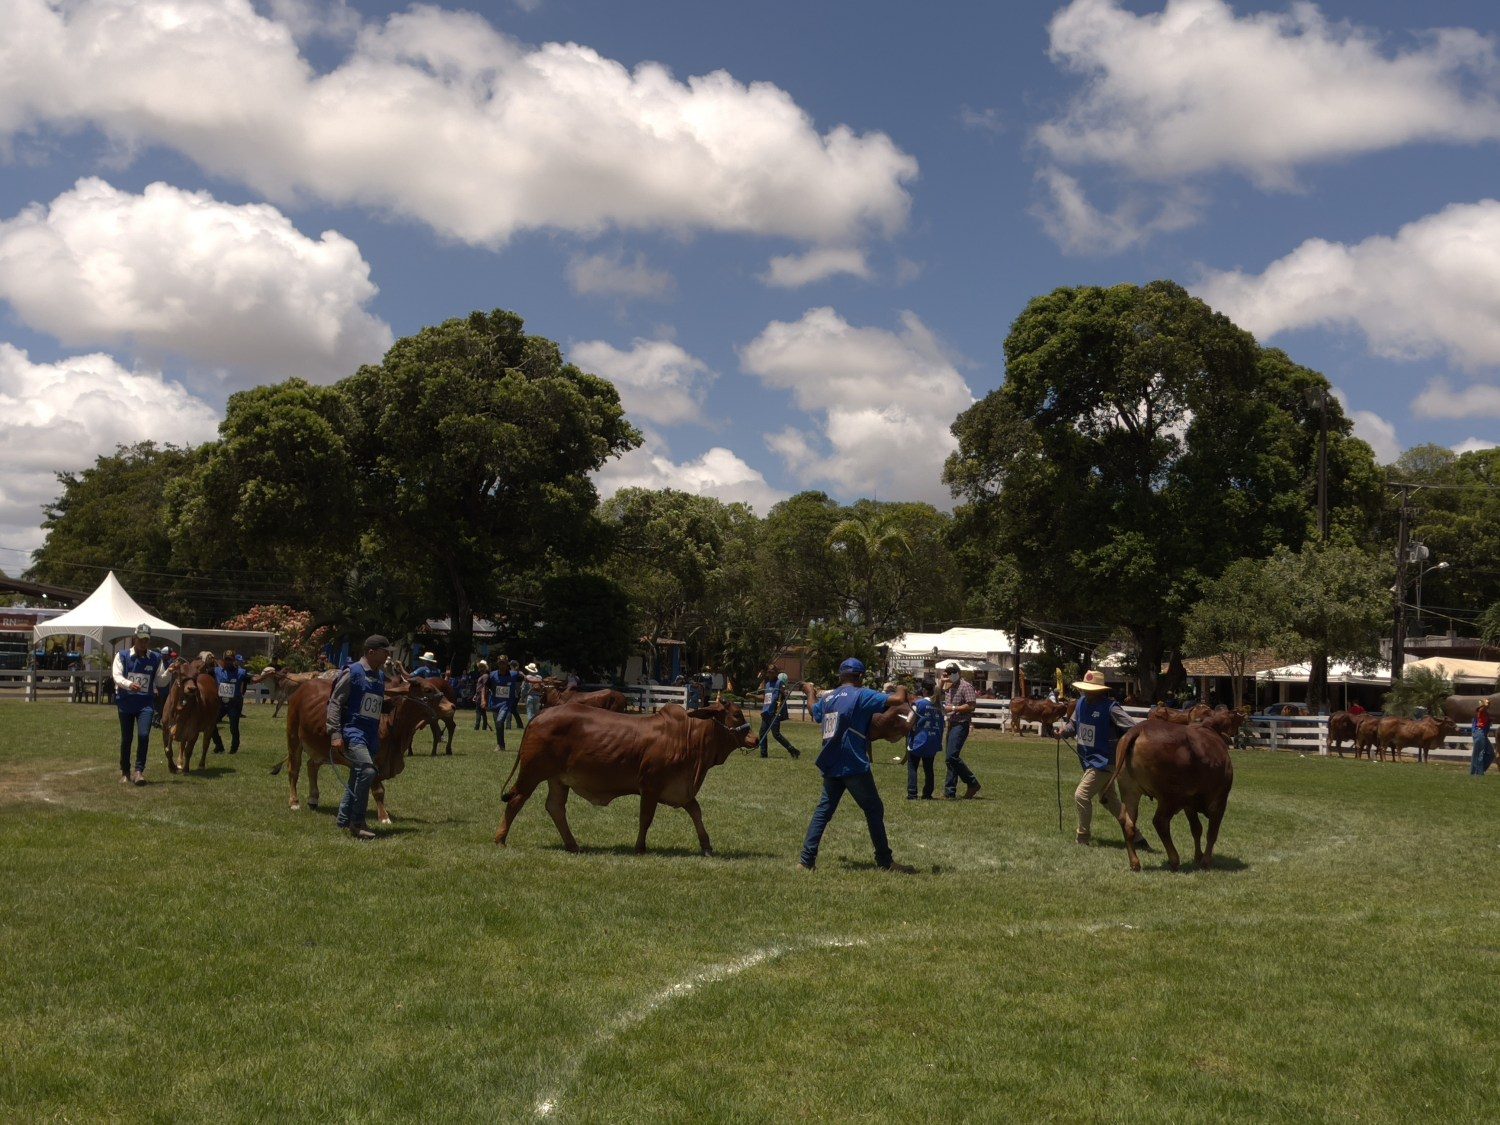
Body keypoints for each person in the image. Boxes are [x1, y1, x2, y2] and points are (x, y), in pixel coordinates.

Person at [798, 659, 915, 873]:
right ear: (860, 677)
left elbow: (814, 710)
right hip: (852, 762)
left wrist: (809, 691)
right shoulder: (862, 694)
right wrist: (902, 686)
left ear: (841, 676)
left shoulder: (830, 697)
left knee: (823, 811)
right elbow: (898, 699)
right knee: (874, 808)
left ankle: (806, 861)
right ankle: (885, 861)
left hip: (831, 760)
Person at [1057, 670, 1149, 849]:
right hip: (1088, 759)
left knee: (1081, 795)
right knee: (1109, 800)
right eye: (1085, 689)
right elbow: (1074, 724)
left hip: (1105, 762)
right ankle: (1137, 837)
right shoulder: (1080, 703)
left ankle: (1082, 837)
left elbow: (1132, 728)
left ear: (1100, 690)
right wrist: (1063, 732)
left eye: (1091, 689)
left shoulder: (1111, 707)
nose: (1086, 692)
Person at [326, 635, 391, 840]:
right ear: (371, 652)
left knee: (357, 776)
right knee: (367, 770)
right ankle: (358, 822)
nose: (388, 655)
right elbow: (335, 703)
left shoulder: (380, 677)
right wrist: (335, 733)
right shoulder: (352, 672)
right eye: (384, 651)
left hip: (371, 734)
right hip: (354, 731)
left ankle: (343, 819)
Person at [112, 624, 175, 785]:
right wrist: (128, 684)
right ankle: (125, 772)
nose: (143, 642)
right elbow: (117, 676)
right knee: (127, 738)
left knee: (144, 735)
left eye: (146, 639)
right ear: (135, 638)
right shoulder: (122, 655)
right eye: (140, 639)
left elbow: (160, 681)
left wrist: (169, 672)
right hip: (126, 703)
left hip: (145, 704)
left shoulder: (155, 658)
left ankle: (139, 771)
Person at [938, 662, 982, 799]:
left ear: (959, 672)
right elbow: (936, 697)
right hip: (951, 723)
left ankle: (972, 782)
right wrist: (941, 682)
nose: (950, 674)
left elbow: (971, 705)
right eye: (948, 672)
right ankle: (949, 792)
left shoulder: (966, 686)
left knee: (952, 756)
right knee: (949, 759)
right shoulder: (949, 687)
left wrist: (954, 708)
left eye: (953, 672)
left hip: (961, 724)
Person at [906, 680, 944, 800]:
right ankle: (927, 793)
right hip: (933, 741)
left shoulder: (918, 704)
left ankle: (912, 793)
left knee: (913, 766)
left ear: (923, 690)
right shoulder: (939, 705)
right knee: (929, 768)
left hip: (919, 740)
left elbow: (909, 721)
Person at [209, 649, 249, 755]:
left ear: (234, 660)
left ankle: (234, 748)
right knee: (211, 724)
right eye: (226, 660)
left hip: (234, 704)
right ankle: (219, 745)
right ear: (223, 660)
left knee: (233, 727)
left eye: (230, 660)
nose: (228, 662)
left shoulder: (241, 672)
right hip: (221, 704)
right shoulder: (216, 671)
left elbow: (251, 680)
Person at [757, 669, 799, 759]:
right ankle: (763, 754)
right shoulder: (767, 684)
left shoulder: (779, 683)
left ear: (775, 673)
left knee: (776, 734)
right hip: (766, 712)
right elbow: (765, 698)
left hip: (774, 713)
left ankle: (792, 750)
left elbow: (784, 695)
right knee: (762, 733)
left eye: (772, 672)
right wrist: (752, 696)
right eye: (769, 672)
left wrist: (784, 694)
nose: (770, 674)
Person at [486, 659, 513, 750]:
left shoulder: (513, 674)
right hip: (495, 703)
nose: (502, 665)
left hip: (506, 703)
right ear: (498, 664)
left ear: (507, 664)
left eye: (504, 663)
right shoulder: (492, 675)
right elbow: (486, 686)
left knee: (499, 721)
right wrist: (483, 700)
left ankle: (500, 745)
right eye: (500, 663)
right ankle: (500, 745)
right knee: (498, 725)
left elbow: (524, 677)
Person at [1471, 699, 1494, 777]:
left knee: (1491, 753)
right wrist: (1485, 703)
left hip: (1483, 734)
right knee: (1479, 754)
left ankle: (1479, 770)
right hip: (1479, 733)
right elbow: (1483, 708)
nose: (1489, 705)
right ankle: (1477, 773)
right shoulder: (1481, 710)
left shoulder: (1485, 713)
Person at [506, 660, 526, 729]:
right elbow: (525, 679)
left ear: (511, 665)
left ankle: (508, 726)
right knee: (513, 709)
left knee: (509, 709)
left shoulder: (509, 673)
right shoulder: (520, 673)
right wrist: (521, 687)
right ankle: (520, 725)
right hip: (517, 694)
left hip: (510, 693)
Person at [473, 660, 491, 730]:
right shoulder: (483, 676)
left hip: (481, 696)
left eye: (481, 667)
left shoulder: (485, 676)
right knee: (482, 712)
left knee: (479, 712)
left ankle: (477, 726)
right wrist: (475, 695)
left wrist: (483, 698)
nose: (479, 668)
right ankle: (484, 727)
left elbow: (485, 686)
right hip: (478, 695)